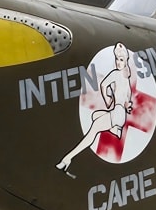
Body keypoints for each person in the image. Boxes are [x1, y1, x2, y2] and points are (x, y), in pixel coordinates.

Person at [56, 44, 139, 174]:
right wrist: (124, 105)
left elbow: (103, 85)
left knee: (92, 131)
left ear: (126, 60)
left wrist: (108, 100)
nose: (118, 62)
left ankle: (68, 158)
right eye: (117, 58)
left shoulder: (116, 74)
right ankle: (115, 130)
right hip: (120, 115)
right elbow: (128, 101)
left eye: (121, 59)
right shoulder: (126, 79)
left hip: (116, 113)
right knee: (95, 116)